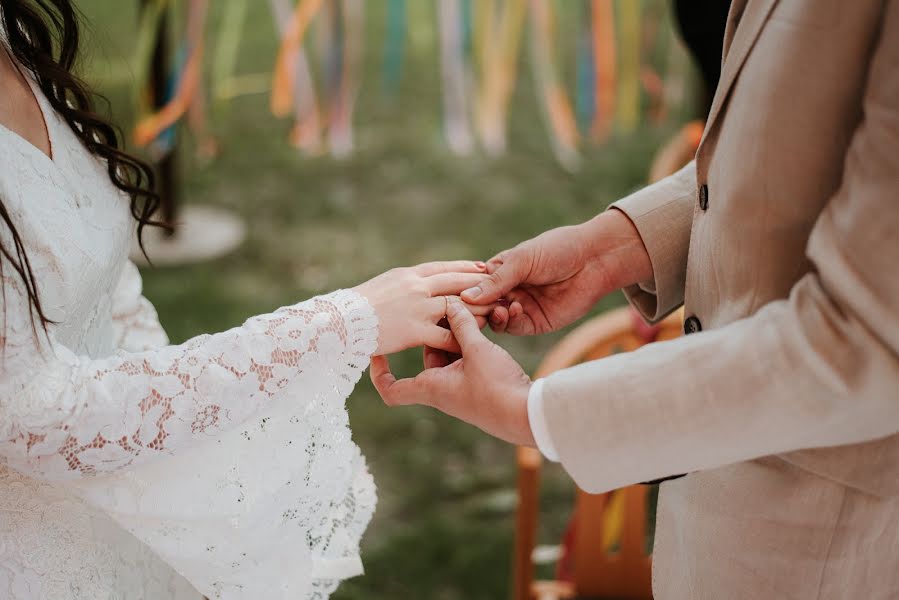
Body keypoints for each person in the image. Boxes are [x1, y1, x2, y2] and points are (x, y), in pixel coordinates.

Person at [372, 0, 899, 597]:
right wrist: (609, 250)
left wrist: (535, 413)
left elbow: (870, 343)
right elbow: (797, 144)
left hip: (833, 539)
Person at [0, 2, 491, 598]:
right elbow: (31, 417)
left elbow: (112, 290)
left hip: (119, 522)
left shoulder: (14, 35)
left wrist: (176, 450)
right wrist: (339, 325)